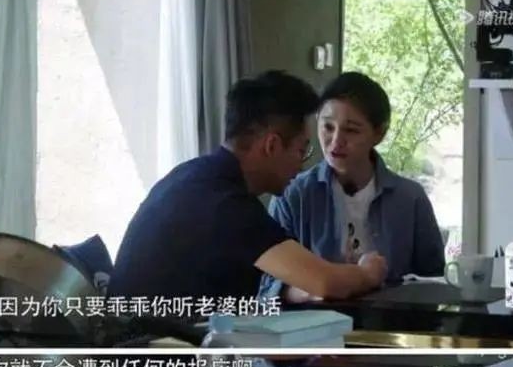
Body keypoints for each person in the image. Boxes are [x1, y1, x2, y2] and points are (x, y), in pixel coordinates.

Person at [109, 71, 387, 311]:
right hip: (150, 352)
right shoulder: (228, 206)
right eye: (301, 150)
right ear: (272, 146)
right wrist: (368, 272)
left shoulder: (192, 176)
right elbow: (324, 282)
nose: (302, 165)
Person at [260, 72, 444, 302]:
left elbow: (433, 281)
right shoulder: (293, 195)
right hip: (313, 322)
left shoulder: (410, 198)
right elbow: (268, 288)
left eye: (351, 130)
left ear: (379, 133)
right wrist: (322, 288)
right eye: (328, 127)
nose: (336, 141)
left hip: (391, 321)